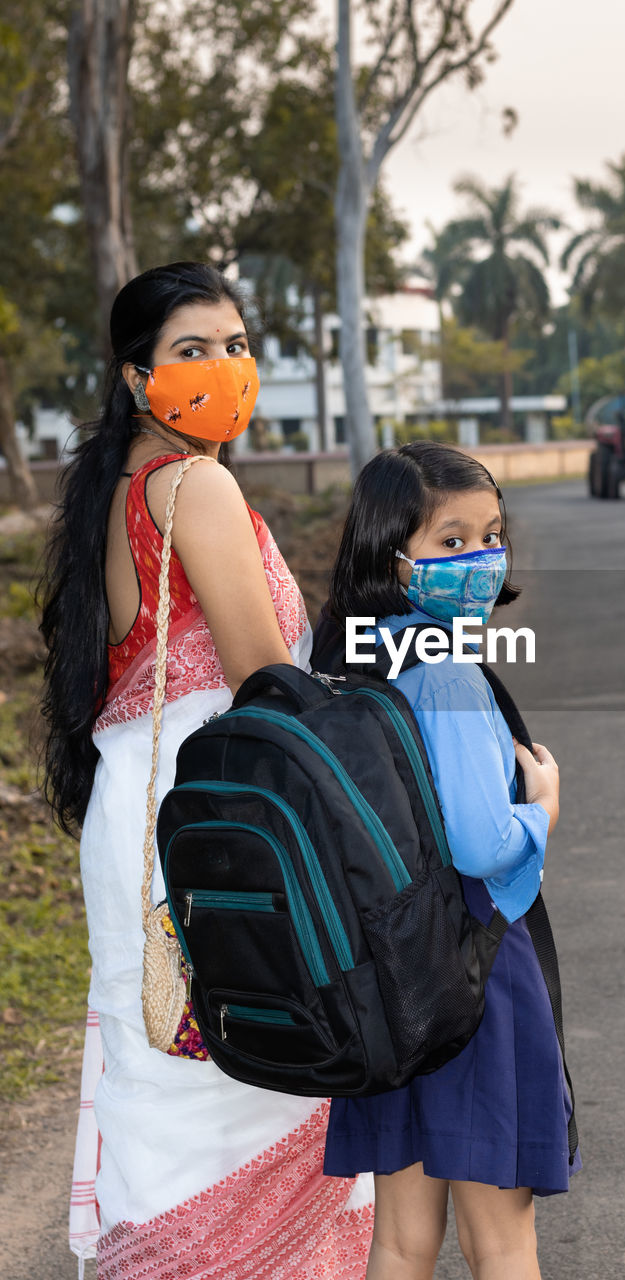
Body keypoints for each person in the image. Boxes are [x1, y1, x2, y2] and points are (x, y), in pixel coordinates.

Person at [40, 262, 373, 1279]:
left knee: (166, 1098)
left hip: (144, 832)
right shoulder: (197, 483)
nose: (224, 367)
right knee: (268, 1068)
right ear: (139, 376)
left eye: (235, 344)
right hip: (230, 830)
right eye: (193, 350)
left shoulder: (116, 488)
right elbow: (268, 682)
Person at [319, 441, 580, 1280]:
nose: (480, 560)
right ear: (391, 555)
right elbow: (477, 844)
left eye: (491, 535)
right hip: (473, 978)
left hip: (386, 983)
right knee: (500, 1242)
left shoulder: (345, 658)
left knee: (399, 1239)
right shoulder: (445, 671)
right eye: (451, 542)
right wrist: (538, 813)